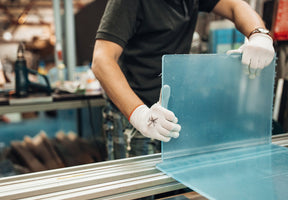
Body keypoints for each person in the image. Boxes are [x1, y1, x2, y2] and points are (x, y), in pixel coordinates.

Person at [91, 0, 275, 158]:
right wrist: (140, 115)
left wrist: (259, 34)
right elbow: (102, 60)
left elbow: (235, 5)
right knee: (135, 188)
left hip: (170, 105)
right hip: (133, 108)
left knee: (167, 182)